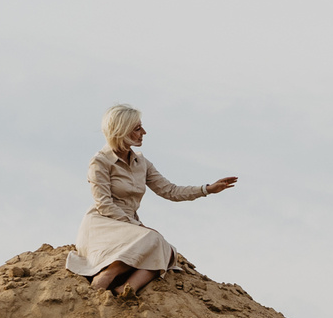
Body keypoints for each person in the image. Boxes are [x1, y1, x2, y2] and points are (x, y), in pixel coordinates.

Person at [65, 104, 237, 296]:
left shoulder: (141, 162)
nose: (144, 132)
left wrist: (207, 189)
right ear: (121, 130)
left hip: (130, 227)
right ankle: (107, 275)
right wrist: (136, 226)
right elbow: (104, 204)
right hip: (104, 224)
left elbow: (170, 191)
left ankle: (127, 289)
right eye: (137, 128)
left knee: (168, 251)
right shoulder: (100, 162)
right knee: (152, 238)